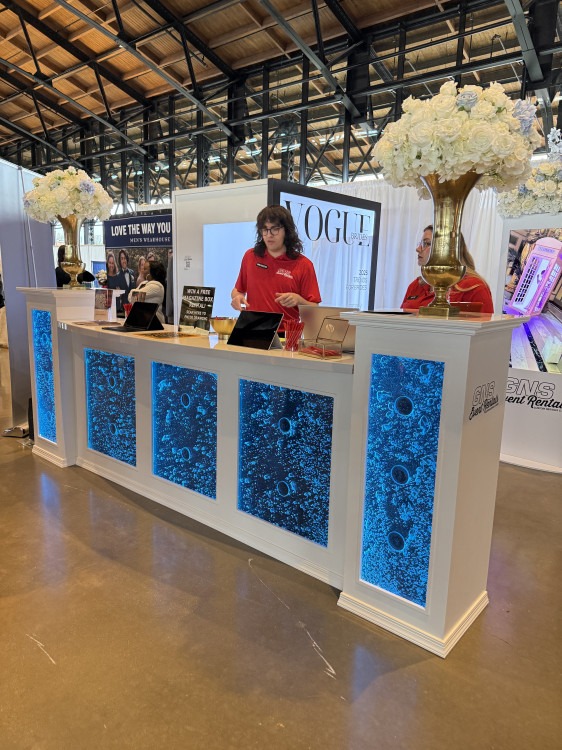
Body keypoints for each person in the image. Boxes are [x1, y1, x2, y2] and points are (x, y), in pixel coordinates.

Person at [231, 205, 321, 323]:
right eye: (265, 229)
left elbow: (315, 309)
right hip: (251, 327)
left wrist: (299, 300)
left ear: (286, 231)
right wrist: (236, 297)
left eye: (275, 229)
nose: (269, 235)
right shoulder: (250, 256)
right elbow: (237, 290)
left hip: (285, 330)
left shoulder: (304, 264)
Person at [401, 225, 494, 313]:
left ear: (449, 249)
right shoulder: (416, 285)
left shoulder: (473, 287)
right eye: (421, 243)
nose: (418, 249)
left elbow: (484, 323)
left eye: (427, 243)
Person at [128, 260, 166, 324]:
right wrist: (133, 293)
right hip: (143, 322)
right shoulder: (144, 283)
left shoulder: (157, 286)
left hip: (155, 323)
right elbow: (131, 297)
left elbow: (134, 296)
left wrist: (133, 292)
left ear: (152, 272)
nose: (143, 271)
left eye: (145, 269)